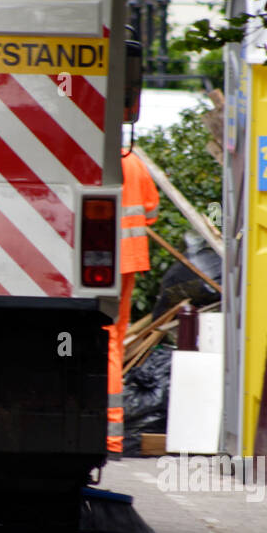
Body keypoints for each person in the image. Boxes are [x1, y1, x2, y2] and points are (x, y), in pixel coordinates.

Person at [107, 150, 159, 455]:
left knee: (107, 344)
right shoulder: (134, 161)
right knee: (114, 342)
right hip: (128, 260)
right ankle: (113, 436)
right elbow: (150, 211)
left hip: (99, 262)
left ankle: (110, 436)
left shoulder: (96, 155)